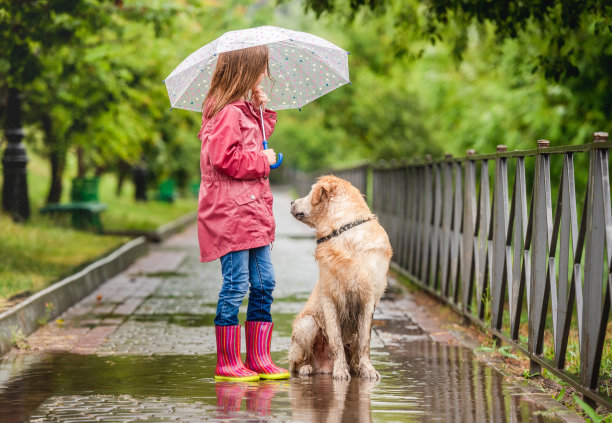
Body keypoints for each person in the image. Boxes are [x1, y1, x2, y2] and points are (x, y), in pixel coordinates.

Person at [198, 45, 289, 381]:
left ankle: (259, 357)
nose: (265, 74)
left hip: (252, 211)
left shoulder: (243, 110)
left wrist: (262, 110)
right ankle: (227, 361)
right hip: (231, 213)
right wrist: (262, 161)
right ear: (246, 69)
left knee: (265, 283)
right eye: (262, 68)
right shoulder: (225, 113)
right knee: (236, 285)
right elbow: (227, 160)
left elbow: (255, 140)